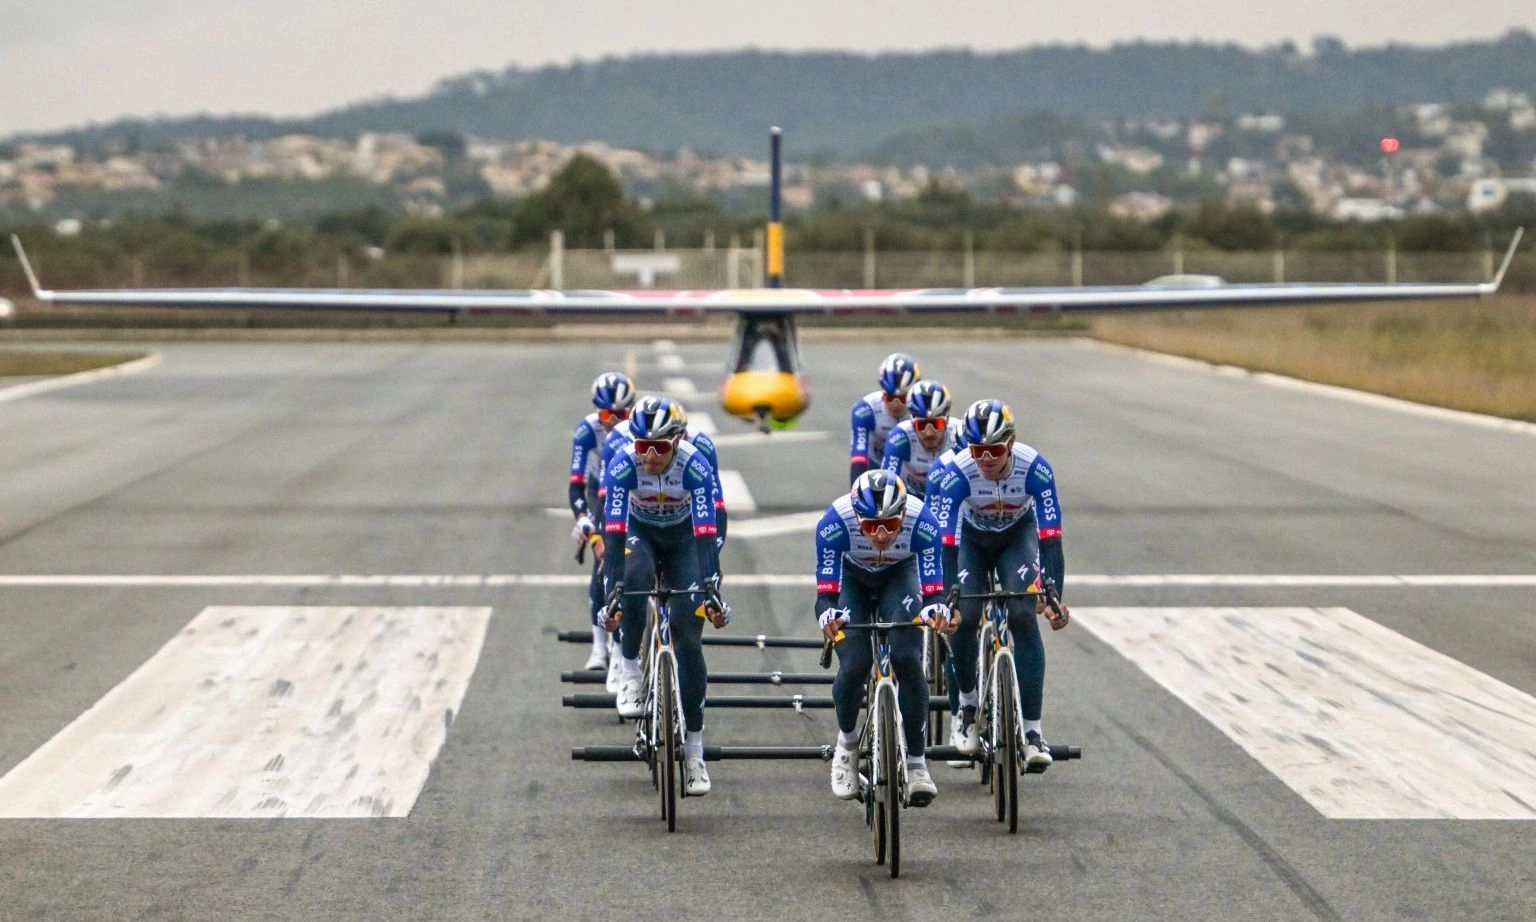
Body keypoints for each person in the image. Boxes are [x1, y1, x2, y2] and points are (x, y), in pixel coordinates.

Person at [601, 395, 729, 796]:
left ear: (677, 440)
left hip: (686, 538)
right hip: (639, 534)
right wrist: (614, 594)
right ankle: (630, 672)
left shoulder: (695, 462)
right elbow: (615, 530)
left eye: (659, 447)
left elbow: (708, 532)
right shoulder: (623, 463)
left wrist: (711, 586)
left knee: (689, 638)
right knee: (634, 580)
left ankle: (694, 753)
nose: (650, 456)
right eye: (643, 446)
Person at [932, 399, 1070, 770]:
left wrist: (1053, 592)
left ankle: (1032, 731)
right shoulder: (958, 474)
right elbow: (946, 543)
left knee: (1024, 615)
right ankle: (967, 706)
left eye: (993, 450)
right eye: (978, 450)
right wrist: (948, 599)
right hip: (970, 543)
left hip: (1016, 538)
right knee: (965, 614)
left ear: (1010, 442)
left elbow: (1051, 536)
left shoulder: (1036, 468)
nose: (986, 459)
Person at [814, 469, 952, 807]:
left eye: (890, 526)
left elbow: (935, 591)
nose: (879, 535)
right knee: (856, 662)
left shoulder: (924, 523)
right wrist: (828, 615)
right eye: (870, 526)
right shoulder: (833, 524)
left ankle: (918, 765)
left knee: (907, 657)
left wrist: (938, 610)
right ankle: (846, 747)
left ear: (903, 515)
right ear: (856, 516)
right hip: (852, 579)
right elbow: (826, 596)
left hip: (898, 576)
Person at [567, 372, 636, 671]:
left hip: (633, 488)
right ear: (598, 410)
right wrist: (585, 522)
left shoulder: (640, 428)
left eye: (621, 414)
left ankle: (628, 645)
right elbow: (576, 484)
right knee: (604, 561)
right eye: (607, 414)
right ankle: (599, 647)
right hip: (600, 490)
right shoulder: (587, 430)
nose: (614, 421)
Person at [848, 353, 920, 484]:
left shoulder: (922, 416)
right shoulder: (865, 410)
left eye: (903, 398)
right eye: (890, 398)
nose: (896, 404)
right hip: (873, 466)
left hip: (909, 472)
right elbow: (859, 456)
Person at [880, 379, 960, 497]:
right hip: (912, 502)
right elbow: (887, 485)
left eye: (936, 424)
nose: (929, 433)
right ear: (912, 422)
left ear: (947, 419)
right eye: (921, 425)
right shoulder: (900, 436)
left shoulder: (960, 436)